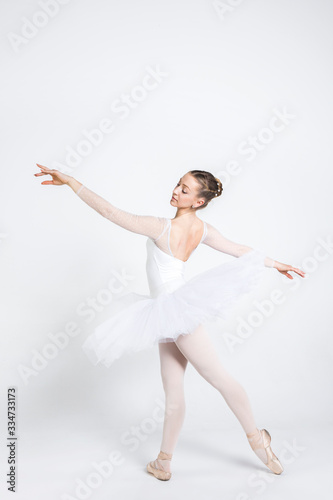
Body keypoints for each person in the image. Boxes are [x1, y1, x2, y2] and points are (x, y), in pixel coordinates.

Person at [34, 164, 305, 481]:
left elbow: (109, 211)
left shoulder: (160, 227)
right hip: (166, 312)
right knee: (174, 391)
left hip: (176, 309)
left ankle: (259, 442)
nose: (176, 191)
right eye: (178, 184)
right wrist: (275, 263)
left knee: (218, 377)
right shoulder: (203, 230)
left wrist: (71, 181)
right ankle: (163, 462)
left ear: (198, 201)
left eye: (185, 190)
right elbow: (239, 249)